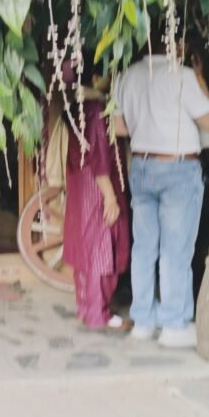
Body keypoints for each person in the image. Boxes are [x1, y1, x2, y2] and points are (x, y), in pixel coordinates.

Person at [113, 33, 209, 347]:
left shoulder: (126, 75)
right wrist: (200, 77)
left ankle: (143, 322)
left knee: (144, 248)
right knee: (176, 250)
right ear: (178, 44)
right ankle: (174, 325)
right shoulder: (183, 76)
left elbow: (118, 127)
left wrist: (147, 125)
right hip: (177, 169)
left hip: (142, 166)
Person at [61, 73, 130, 331]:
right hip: (99, 188)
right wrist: (110, 197)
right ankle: (98, 314)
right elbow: (100, 155)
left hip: (81, 188)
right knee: (103, 252)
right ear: (97, 77)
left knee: (87, 253)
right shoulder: (98, 109)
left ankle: (85, 308)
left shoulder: (77, 107)